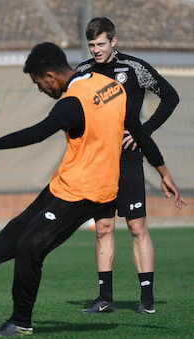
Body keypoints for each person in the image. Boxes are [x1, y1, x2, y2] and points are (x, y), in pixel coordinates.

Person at [0, 42, 185, 337]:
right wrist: (163, 172)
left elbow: (36, 133)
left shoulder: (72, 104)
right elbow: (137, 131)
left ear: (50, 76)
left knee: (28, 248)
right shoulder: (110, 87)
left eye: (38, 84)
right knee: (13, 233)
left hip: (85, 193)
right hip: (66, 184)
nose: (40, 90)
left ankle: (20, 322)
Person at [75, 17, 181, 315]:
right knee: (103, 228)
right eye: (92, 45)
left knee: (136, 227)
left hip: (128, 160)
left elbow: (171, 96)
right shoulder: (83, 73)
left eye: (101, 44)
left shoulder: (134, 68)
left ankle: (146, 300)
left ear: (113, 41)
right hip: (98, 162)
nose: (96, 50)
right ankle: (105, 299)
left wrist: (142, 132)